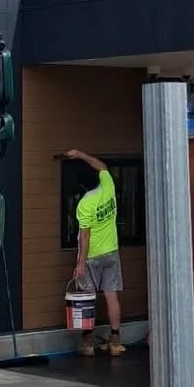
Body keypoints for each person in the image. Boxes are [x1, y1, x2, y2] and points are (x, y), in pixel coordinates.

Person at [66, 148, 125, 356]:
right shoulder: (108, 185)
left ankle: (88, 344)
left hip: (91, 256)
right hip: (111, 251)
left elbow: (85, 236)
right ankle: (115, 341)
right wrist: (81, 154)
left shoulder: (85, 204)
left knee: (87, 299)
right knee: (111, 296)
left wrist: (80, 264)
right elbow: (102, 166)